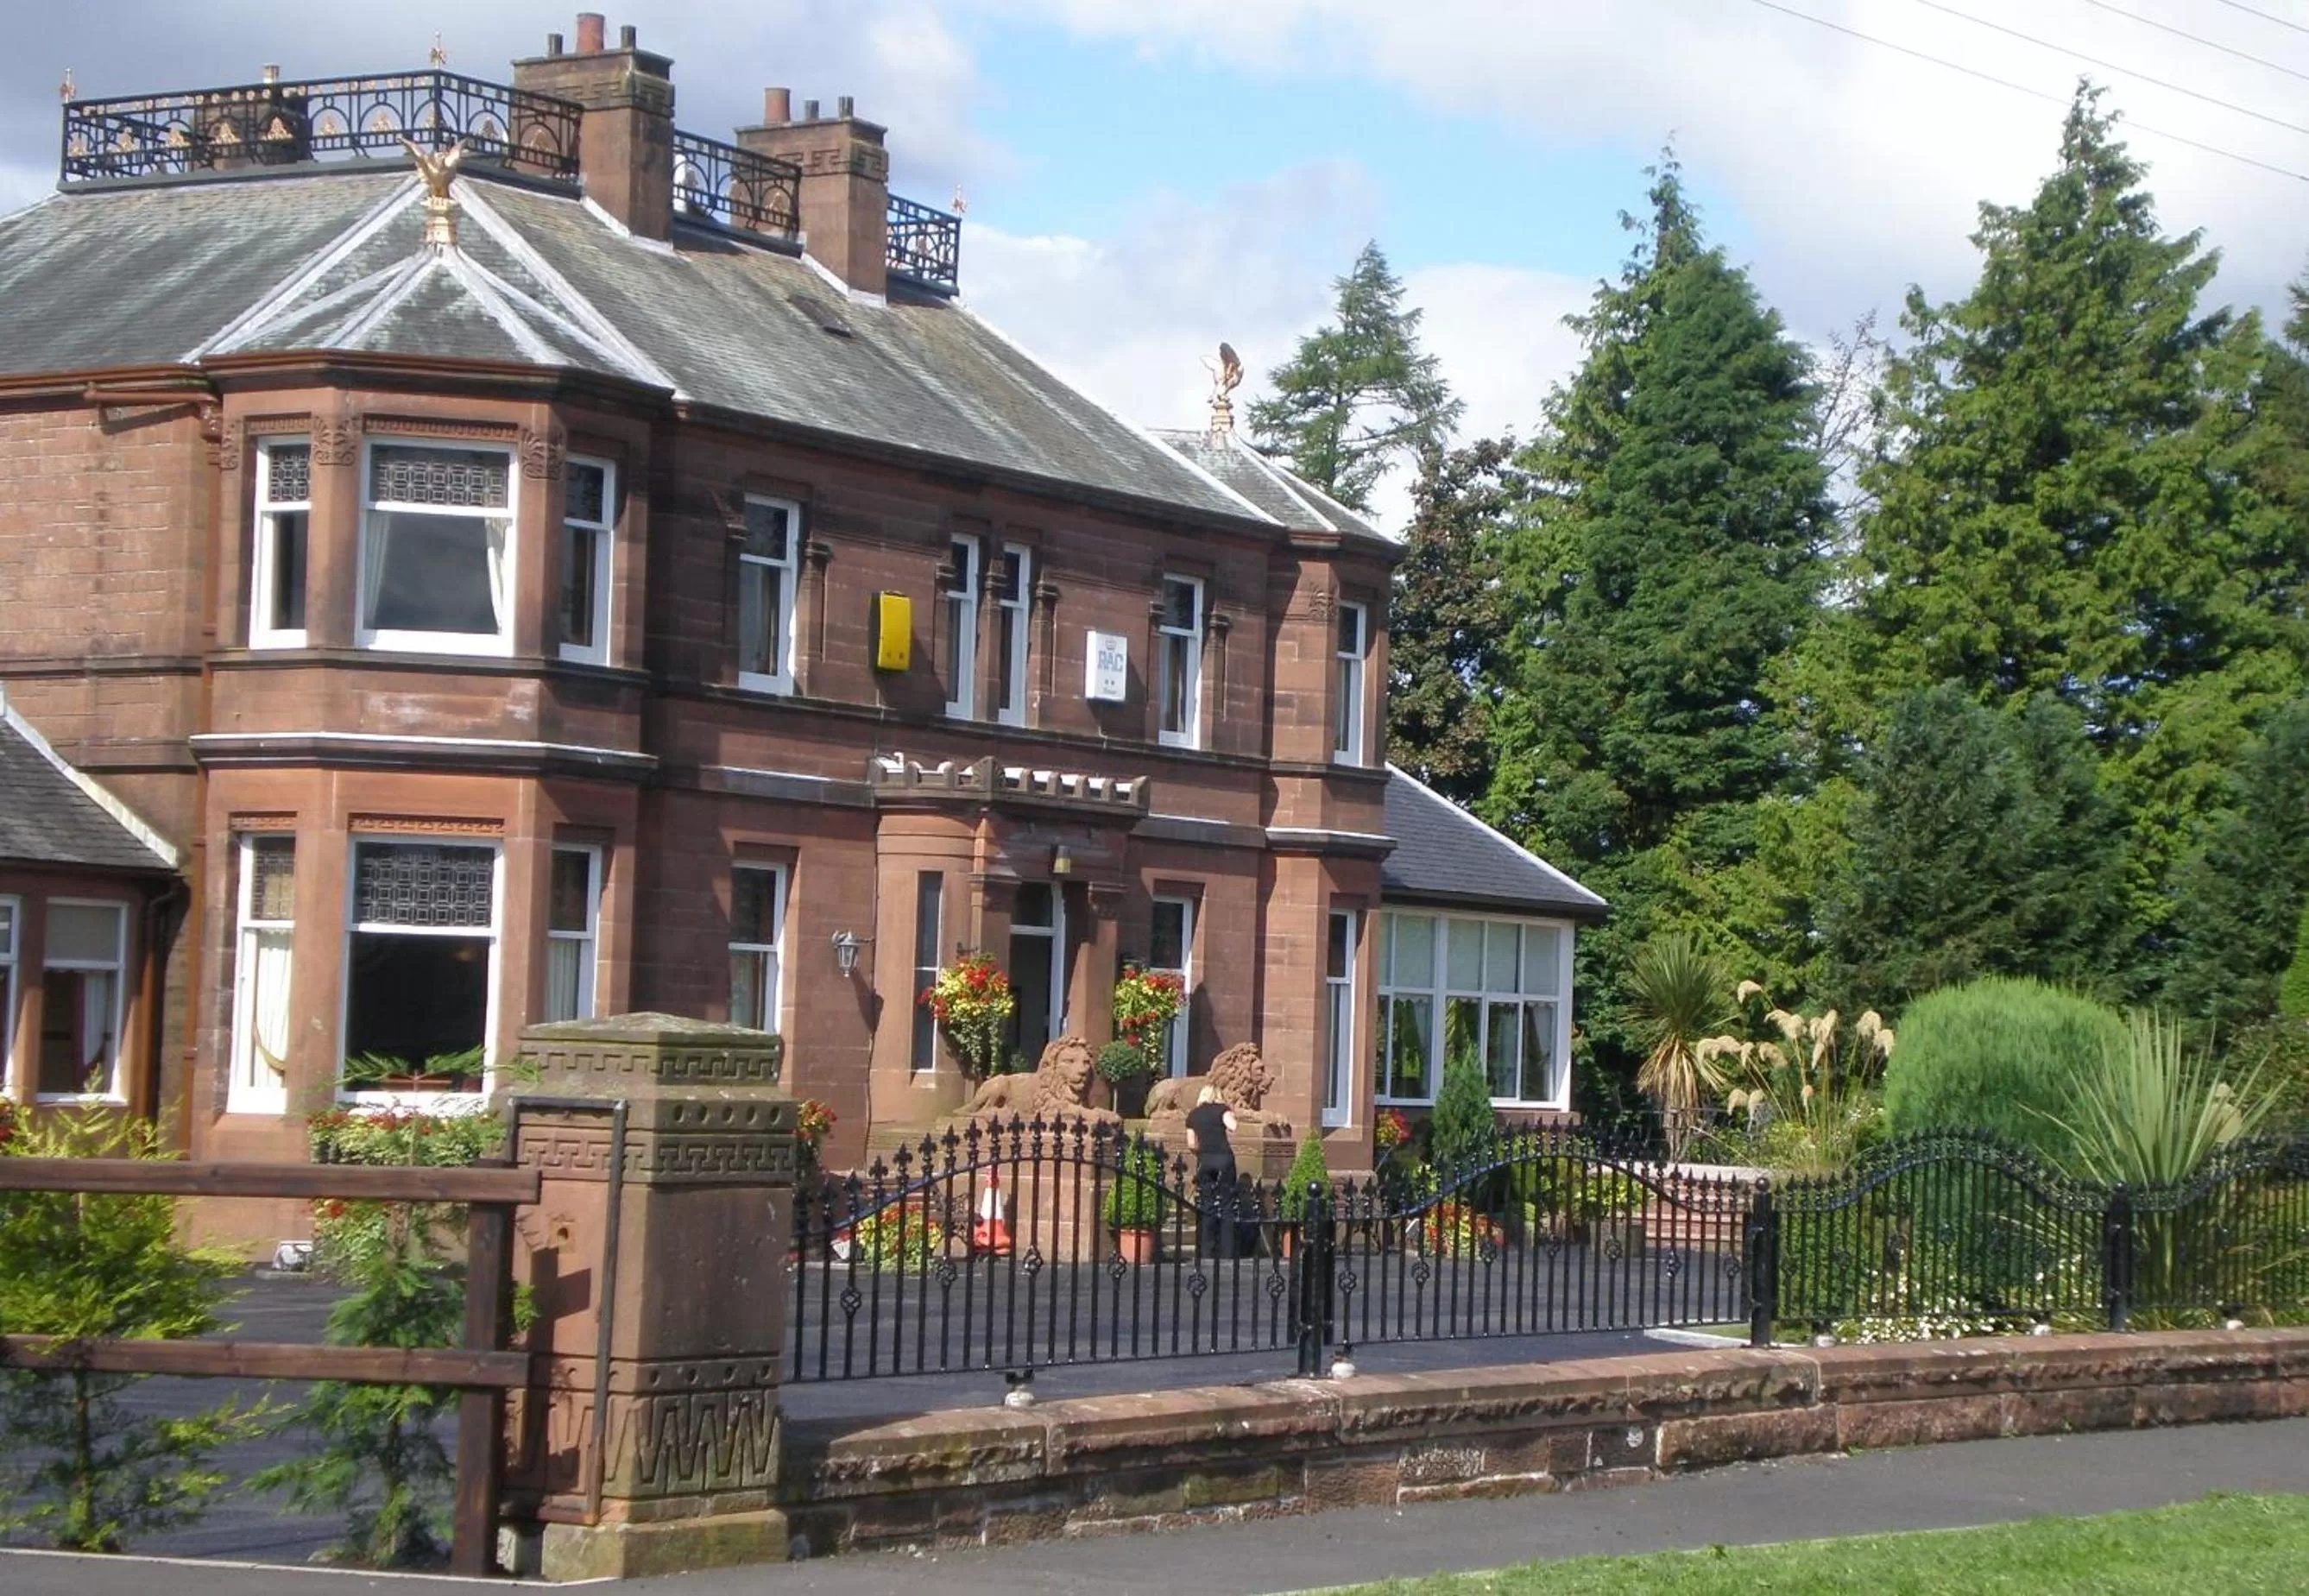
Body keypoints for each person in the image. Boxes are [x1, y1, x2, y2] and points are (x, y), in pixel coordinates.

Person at [1183, 1083, 1240, 1259]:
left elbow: (1191, 1144)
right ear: (1218, 1096)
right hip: (1224, 1158)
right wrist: (1230, 1114)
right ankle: (1227, 1251)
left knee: (1206, 1204)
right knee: (1227, 1204)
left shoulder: (1193, 1114)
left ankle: (1206, 1251)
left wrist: (1201, 1152)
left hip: (1205, 1160)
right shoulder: (1222, 1109)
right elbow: (1233, 1126)